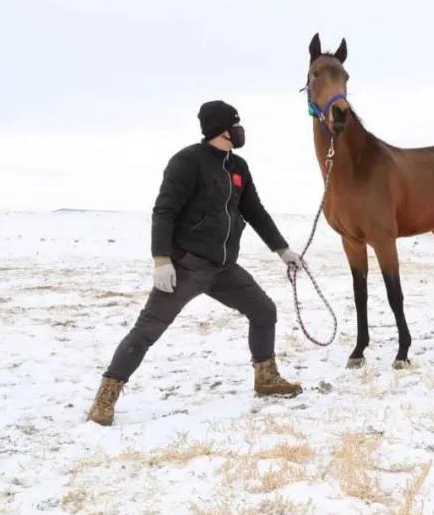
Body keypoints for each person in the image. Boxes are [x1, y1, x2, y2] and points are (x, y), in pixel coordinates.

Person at [87, 100, 305, 426]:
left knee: (264, 311)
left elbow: (255, 211)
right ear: (221, 130)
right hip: (187, 266)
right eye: (235, 124)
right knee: (147, 331)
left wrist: (282, 249)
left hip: (223, 268)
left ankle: (266, 378)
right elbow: (164, 211)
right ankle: (106, 396)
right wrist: (161, 260)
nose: (240, 129)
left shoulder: (238, 167)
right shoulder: (187, 162)